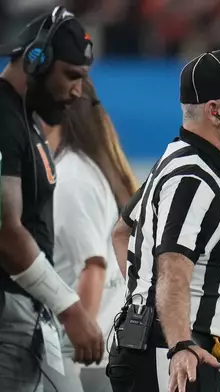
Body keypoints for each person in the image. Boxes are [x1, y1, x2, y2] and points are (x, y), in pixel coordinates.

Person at [106, 49, 220, 392]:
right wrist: (179, 343)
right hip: (176, 354)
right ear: (214, 111)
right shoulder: (194, 177)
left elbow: (122, 231)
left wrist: (143, 297)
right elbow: (173, 264)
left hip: (164, 346)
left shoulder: (180, 159)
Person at [0, 7, 104, 392]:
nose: (77, 91)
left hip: (24, 313)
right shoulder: (3, 118)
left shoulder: (25, 119)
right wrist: (70, 308)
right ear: (36, 60)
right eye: (71, 76)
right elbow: (6, 231)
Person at [40, 77, 137, 392]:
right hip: (107, 349)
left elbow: (92, 267)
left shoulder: (71, 179)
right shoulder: (86, 170)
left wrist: (73, 349)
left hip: (86, 359)